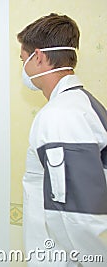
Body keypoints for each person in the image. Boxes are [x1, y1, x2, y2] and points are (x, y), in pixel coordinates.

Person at [18, 13, 107, 266]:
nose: (22, 69)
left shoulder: (61, 116)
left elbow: (82, 216)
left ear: (39, 57)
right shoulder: (83, 105)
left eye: (23, 60)